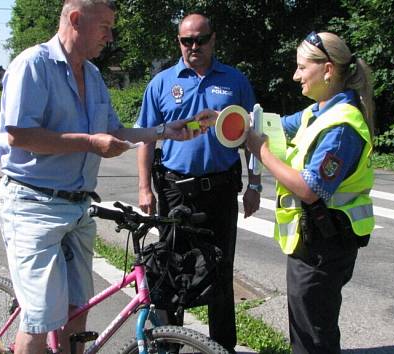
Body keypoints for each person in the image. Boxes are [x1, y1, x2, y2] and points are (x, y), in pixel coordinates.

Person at [0, 1, 205, 353]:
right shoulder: (32, 65)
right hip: (33, 205)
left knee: (78, 310)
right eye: (105, 25)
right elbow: (19, 134)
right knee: (40, 318)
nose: (110, 35)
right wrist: (91, 143)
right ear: (76, 19)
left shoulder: (91, 74)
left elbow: (115, 130)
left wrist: (166, 131)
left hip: (78, 208)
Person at [241, 31, 376, 353]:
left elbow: (310, 189)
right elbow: (272, 125)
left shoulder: (341, 125)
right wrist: (226, 120)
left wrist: (262, 152)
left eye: (302, 68)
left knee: (313, 338)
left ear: (327, 70)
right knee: (306, 330)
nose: (295, 75)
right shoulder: (318, 112)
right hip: (312, 241)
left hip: (324, 245)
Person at [135, 13, 261, 353]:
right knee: (170, 271)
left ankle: (222, 347)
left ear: (213, 39)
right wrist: (144, 187)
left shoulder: (234, 81)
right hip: (175, 191)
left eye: (200, 39)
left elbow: (253, 136)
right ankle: (169, 345)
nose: (193, 46)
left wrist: (255, 184)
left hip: (219, 190)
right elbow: (146, 139)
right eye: (186, 40)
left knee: (221, 270)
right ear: (179, 42)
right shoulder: (162, 83)